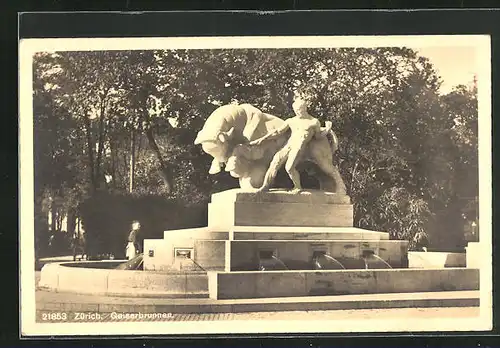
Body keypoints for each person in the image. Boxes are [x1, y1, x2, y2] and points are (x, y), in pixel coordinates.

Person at [249, 98, 333, 192]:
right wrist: (262, 139)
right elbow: (277, 132)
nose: (298, 112)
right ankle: (265, 186)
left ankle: (297, 187)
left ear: (305, 108)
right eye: (296, 110)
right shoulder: (291, 121)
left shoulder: (313, 122)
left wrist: (327, 130)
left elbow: (318, 136)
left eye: (300, 110)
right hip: (288, 146)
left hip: (299, 147)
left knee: (289, 167)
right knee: (274, 163)